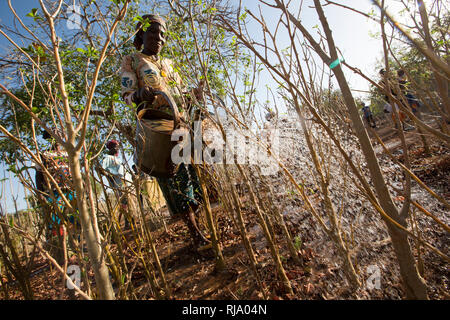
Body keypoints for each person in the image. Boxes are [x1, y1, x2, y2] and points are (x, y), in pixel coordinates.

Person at [119, 14, 210, 250]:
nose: (159, 38)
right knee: (175, 180)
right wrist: (139, 95)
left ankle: (199, 227)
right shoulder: (131, 61)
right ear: (141, 35)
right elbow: (126, 96)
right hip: (156, 129)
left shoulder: (168, 64)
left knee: (190, 177)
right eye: (153, 32)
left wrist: (194, 95)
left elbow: (180, 96)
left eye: (162, 34)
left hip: (179, 125)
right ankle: (196, 236)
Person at [35, 130, 78, 262]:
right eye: (52, 137)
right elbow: (38, 175)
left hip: (70, 191)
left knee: (72, 220)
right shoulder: (43, 155)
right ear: (49, 139)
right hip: (53, 193)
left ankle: (74, 250)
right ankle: (64, 254)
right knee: (56, 223)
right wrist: (41, 193)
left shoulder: (68, 153)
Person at [101, 139, 132, 229]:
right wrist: (111, 180)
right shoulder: (108, 158)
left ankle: (128, 222)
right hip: (120, 185)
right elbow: (102, 170)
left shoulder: (117, 159)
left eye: (118, 147)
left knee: (128, 204)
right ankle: (127, 223)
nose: (117, 149)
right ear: (111, 149)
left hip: (126, 183)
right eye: (115, 147)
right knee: (125, 204)